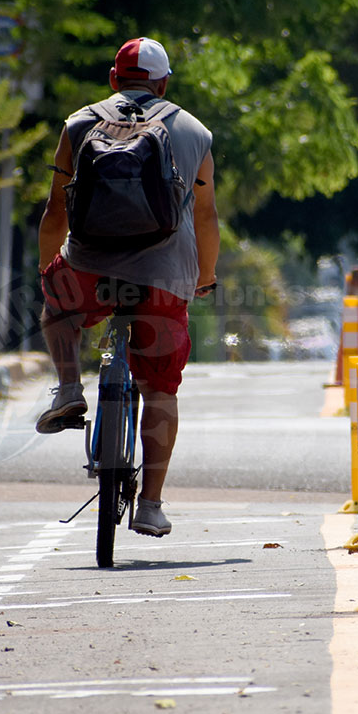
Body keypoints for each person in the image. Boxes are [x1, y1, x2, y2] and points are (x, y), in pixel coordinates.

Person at [36, 37, 220, 537]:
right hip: (164, 277)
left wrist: (50, 273)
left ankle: (70, 389)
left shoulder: (79, 122)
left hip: (90, 268)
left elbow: (56, 211)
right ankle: (152, 505)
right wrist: (204, 278)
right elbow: (205, 217)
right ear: (163, 82)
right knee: (160, 386)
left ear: (115, 79)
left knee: (58, 305)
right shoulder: (193, 130)